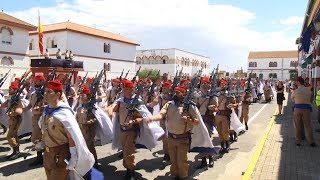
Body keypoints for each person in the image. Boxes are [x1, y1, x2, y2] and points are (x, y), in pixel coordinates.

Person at [40, 80, 95, 179]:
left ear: (57, 94)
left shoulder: (64, 112)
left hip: (60, 154)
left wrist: (74, 155)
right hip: (48, 154)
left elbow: (71, 135)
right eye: (45, 91)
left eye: (49, 91)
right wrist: (43, 142)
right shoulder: (47, 110)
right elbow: (45, 128)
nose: (45, 94)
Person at [145, 85, 199, 179]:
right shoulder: (169, 104)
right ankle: (176, 175)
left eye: (178, 92)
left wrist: (188, 120)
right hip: (171, 138)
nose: (175, 94)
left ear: (183, 93)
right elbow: (161, 114)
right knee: (173, 160)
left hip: (183, 138)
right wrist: (152, 118)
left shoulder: (188, 106)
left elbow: (196, 121)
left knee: (181, 160)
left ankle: (183, 176)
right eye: (175, 92)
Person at [23, 74, 46, 166]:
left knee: (37, 138)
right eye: (34, 80)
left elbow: (49, 105)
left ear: (41, 82)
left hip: (41, 117)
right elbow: (30, 105)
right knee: (38, 139)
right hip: (34, 117)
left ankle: (40, 157)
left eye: (36, 80)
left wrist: (41, 108)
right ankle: (41, 157)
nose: (34, 82)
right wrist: (23, 110)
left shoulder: (45, 93)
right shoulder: (33, 93)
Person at [0, 82, 24, 160]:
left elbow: (20, 110)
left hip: (16, 119)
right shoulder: (11, 98)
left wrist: (13, 112)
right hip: (11, 119)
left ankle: (16, 151)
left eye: (11, 89)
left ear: (15, 90)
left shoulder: (18, 99)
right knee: (14, 135)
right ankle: (16, 151)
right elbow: (3, 105)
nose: (9, 90)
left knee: (10, 136)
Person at [291, 77, 316, 147]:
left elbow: (292, 100)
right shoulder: (308, 90)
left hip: (297, 108)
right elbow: (311, 99)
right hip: (307, 109)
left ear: (298, 82)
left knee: (297, 125)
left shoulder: (295, 91)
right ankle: (311, 141)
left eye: (296, 82)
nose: (295, 83)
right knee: (308, 125)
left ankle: (298, 141)